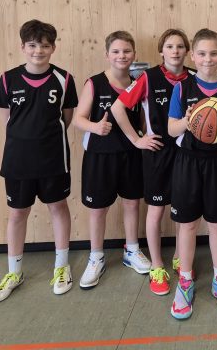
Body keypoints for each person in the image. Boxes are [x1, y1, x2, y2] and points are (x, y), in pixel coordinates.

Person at [0, 20, 78, 302]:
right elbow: (8, 121)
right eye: (32, 45)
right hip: (18, 161)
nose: (38, 50)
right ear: (22, 47)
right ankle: (14, 272)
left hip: (53, 158)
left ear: (53, 48)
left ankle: (61, 267)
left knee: (58, 207)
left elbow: (66, 117)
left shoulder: (64, 79)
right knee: (17, 213)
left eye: (44, 45)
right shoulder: (7, 79)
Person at [167, 29, 217, 319]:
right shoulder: (182, 88)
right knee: (186, 225)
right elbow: (170, 128)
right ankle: (185, 281)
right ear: (193, 56)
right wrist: (189, 122)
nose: (207, 59)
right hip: (188, 161)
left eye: (213, 53)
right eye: (201, 53)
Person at [112, 29, 191, 296]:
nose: (176, 51)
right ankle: (157, 266)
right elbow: (117, 108)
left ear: (187, 51)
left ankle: (181, 257)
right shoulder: (148, 77)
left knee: (183, 211)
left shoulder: (192, 78)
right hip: (157, 151)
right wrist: (136, 140)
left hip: (184, 152)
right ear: (161, 51)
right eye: (170, 46)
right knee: (156, 211)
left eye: (180, 46)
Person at [73, 31, 150, 290]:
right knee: (98, 209)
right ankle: (96, 256)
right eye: (116, 51)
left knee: (131, 205)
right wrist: (95, 128)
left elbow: (141, 121)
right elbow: (77, 119)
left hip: (130, 155)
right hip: (99, 156)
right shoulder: (94, 83)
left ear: (134, 55)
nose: (121, 56)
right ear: (107, 55)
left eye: (126, 51)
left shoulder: (138, 83)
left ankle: (132, 250)